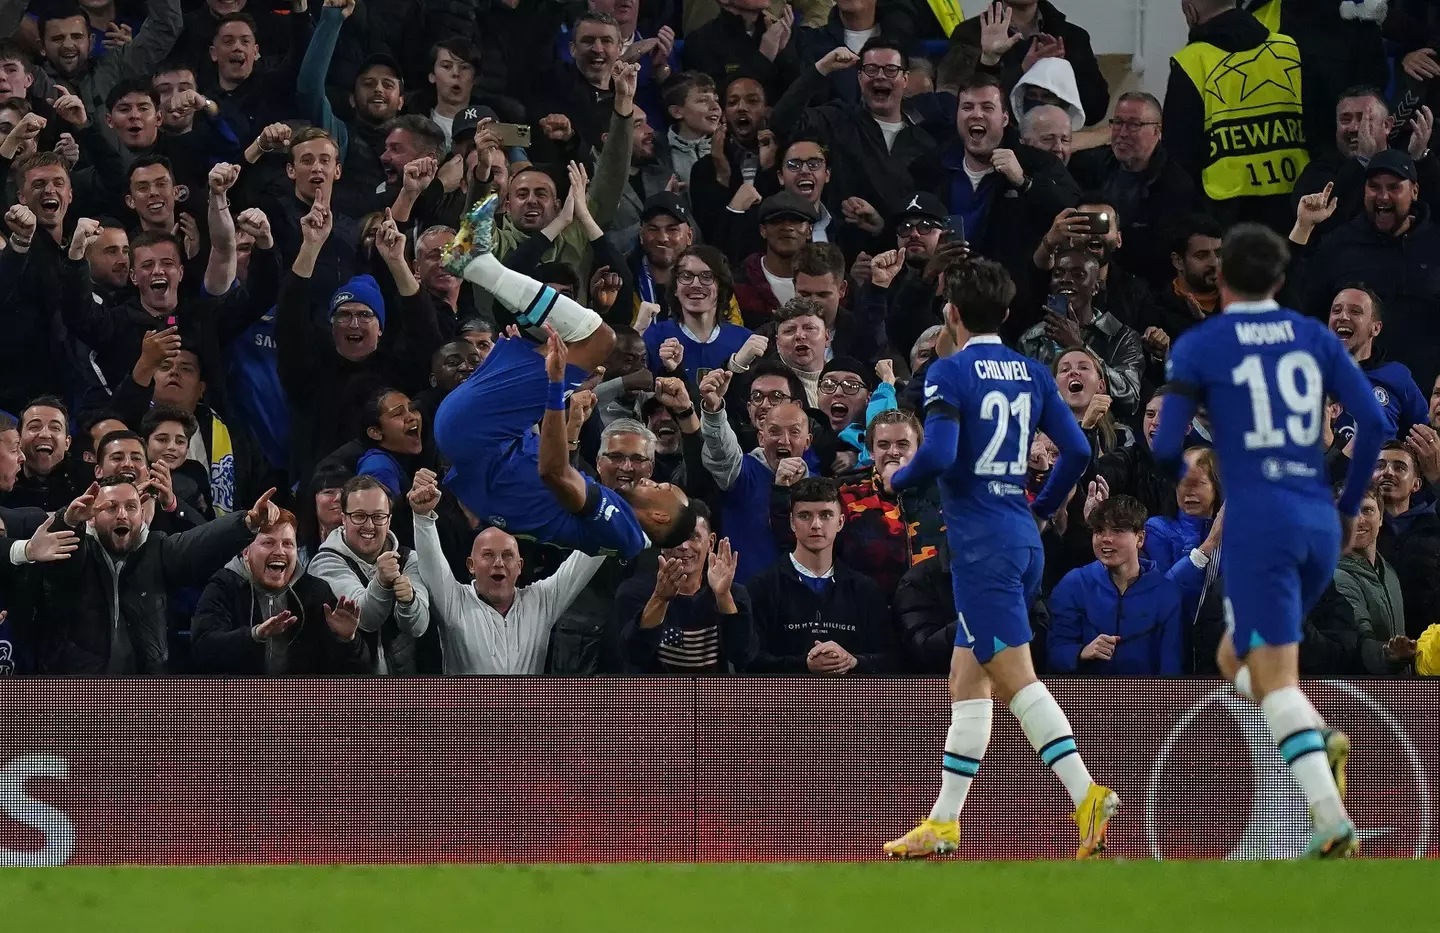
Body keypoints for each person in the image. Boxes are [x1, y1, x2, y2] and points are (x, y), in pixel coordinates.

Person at [1153, 222, 1387, 858]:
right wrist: (1344, 505)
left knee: (1274, 676)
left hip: (1261, 523)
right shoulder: (1313, 335)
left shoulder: (1202, 343)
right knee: (1236, 657)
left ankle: (1331, 815)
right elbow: (1371, 422)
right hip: (1317, 517)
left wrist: (1194, 469)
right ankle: (1313, 732)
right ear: (1281, 280)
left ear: (1219, 277)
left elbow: (1165, 444)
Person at [882, 257, 1117, 860]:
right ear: (1007, 315)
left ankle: (1086, 791)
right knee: (968, 679)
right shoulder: (1033, 373)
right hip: (1020, 532)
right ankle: (942, 822)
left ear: (952, 314)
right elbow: (1076, 448)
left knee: (1016, 681)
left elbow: (937, 457)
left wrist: (893, 478)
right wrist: (1039, 505)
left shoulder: (948, 372)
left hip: (981, 547)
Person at [434, 194, 698, 559]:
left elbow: (554, 473)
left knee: (597, 339)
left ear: (658, 515)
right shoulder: (615, 525)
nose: (655, 480)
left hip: (478, 438)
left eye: (663, 489)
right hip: (482, 443)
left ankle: (479, 266)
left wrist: (557, 387)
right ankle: (485, 270)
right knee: (558, 343)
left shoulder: (623, 528)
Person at [17, 478, 276, 674]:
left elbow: (199, 545)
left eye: (131, 507)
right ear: (92, 518)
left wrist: (247, 523)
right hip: (76, 693)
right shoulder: (79, 551)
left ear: (142, 516)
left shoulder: (158, 549)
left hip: (145, 693)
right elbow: (61, 557)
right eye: (110, 507)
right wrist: (69, 520)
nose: (122, 514)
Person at [406, 468, 606, 675]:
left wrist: (610, 503)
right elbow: (431, 563)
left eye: (507, 555)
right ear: (470, 565)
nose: (499, 563)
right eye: (488, 555)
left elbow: (585, 560)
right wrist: (422, 516)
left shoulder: (541, 602)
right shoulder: (454, 601)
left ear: (519, 566)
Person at [1164, 0, 1308, 232]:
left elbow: (1178, 153)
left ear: (1190, 11)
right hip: (1292, 205)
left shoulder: (1191, 61)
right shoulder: (1289, 49)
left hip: (1221, 213)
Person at [189, 507, 369, 675]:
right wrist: (255, 635)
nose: (280, 551)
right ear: (245, 551)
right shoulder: (224, 586)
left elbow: (355, 671)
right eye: (268, 542)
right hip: (240, 700)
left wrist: (348, 640)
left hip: (300, 703)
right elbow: (202, 651)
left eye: (288, 544)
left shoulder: (316, 591)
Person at [746, 477, 896, 673]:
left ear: (840, 522)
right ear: (792, 522)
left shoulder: (866, 591)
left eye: (826, 515)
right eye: (805, 516)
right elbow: (750, 662)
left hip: (851, 701)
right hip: (784, 702)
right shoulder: (761, 587)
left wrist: (853, 662)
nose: (816, 524)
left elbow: (891, 660)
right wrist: (804, 665)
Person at [1068, 92, 1198, 291]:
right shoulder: (1093, 167)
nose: (1122, 133)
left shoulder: (1176, 186)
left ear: (1157, 131)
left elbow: (1162, 258)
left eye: (1134, 125)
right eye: (1117, 122)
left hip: (1146, 291)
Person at [306, 475, 432, 675]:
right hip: (348, 689)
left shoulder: (409, 559)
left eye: (378, 516)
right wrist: (382, 583)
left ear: (389, 520)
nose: (369, 526)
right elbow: (365, 620)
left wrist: (409, 602)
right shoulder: (325, 563)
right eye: (359, 516)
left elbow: (418, 627)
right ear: (343, 519)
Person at [1047, 495, 1185, 676]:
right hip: (1085, 698)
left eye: (1118, 530)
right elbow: (1053, 655)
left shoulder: (1166, 591)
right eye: (1099, 530)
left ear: (1140, 538)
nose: (1106, 539)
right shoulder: (1073, 584)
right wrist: (1081, 652)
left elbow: (1172, 669)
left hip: (1147, 700)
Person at [614, 500, 755, 673]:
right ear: (661, 542)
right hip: (656, 697)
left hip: (714, 697)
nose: (683, 546)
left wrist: (723, 596)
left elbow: (742, 655)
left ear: (710, 543)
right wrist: (660, 599)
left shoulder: (734, 593)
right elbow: (633, 656)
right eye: (676, 537)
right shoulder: (633, 592)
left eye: (693, 536)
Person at [1327, 286, 1428, 443]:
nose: (1343, 316)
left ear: (1375, 328)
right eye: (1336, 310)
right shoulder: (1309, 372)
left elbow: (1425, 436)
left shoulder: (1397, 376)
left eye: (1355, 311)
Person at [1334, 485, 1414, 675]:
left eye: (1367, 510)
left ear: (1381, 518)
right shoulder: (1337, 577)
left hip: (1398, 693)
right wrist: (1387, 655)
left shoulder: (1389, 571)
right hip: (1362, 695)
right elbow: (1360, 641)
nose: (1358, 520)